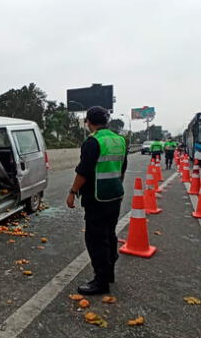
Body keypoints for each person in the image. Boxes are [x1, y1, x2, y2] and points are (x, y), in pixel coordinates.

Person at [66, 106, 128, 295]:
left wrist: (72, 192)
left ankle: (101, 282)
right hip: (115, 195)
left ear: (89, 122)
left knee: (95, 239)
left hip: (96, 197)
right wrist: (116, 185)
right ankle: (108, 273)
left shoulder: (93, 142)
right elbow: (122, 168)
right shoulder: (120, 140)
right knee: (109, 234)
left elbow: (83, 171)